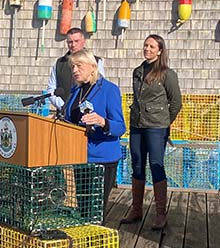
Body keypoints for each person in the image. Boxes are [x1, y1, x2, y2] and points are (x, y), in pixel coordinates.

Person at [121, 34, 182, 230]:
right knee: (137, 164)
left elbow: (176, 103)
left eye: (151, 46)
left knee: (156, 165)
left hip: (157, 127)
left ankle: (160, 213)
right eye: (145, 45)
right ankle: (136, 210)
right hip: (137, 126)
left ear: (160, 50)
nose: (147, 49)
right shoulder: (137, 71)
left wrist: (164, 122)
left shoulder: (167, 74)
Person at [64, 48, 126, 224]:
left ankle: (97, 247)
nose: (74, 70)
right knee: (83, 208)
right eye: (72, 67)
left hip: (102, 159)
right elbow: (69, 119)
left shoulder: (109, 90)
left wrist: (102, 121)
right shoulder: (75, 91)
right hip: (80, 156)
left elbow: (120, 127)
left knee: (95, 211)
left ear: (93, 67)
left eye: (79, 66)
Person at [47, 27, 105, 110]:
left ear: (83, 41)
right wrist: (64, 106)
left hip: (89, 113)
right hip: (64, 113)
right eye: (70, 42)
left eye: (76, 41)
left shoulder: (95, 61)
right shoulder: (59, 63)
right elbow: (51, 89)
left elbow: (100, 87)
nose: (73, 45)